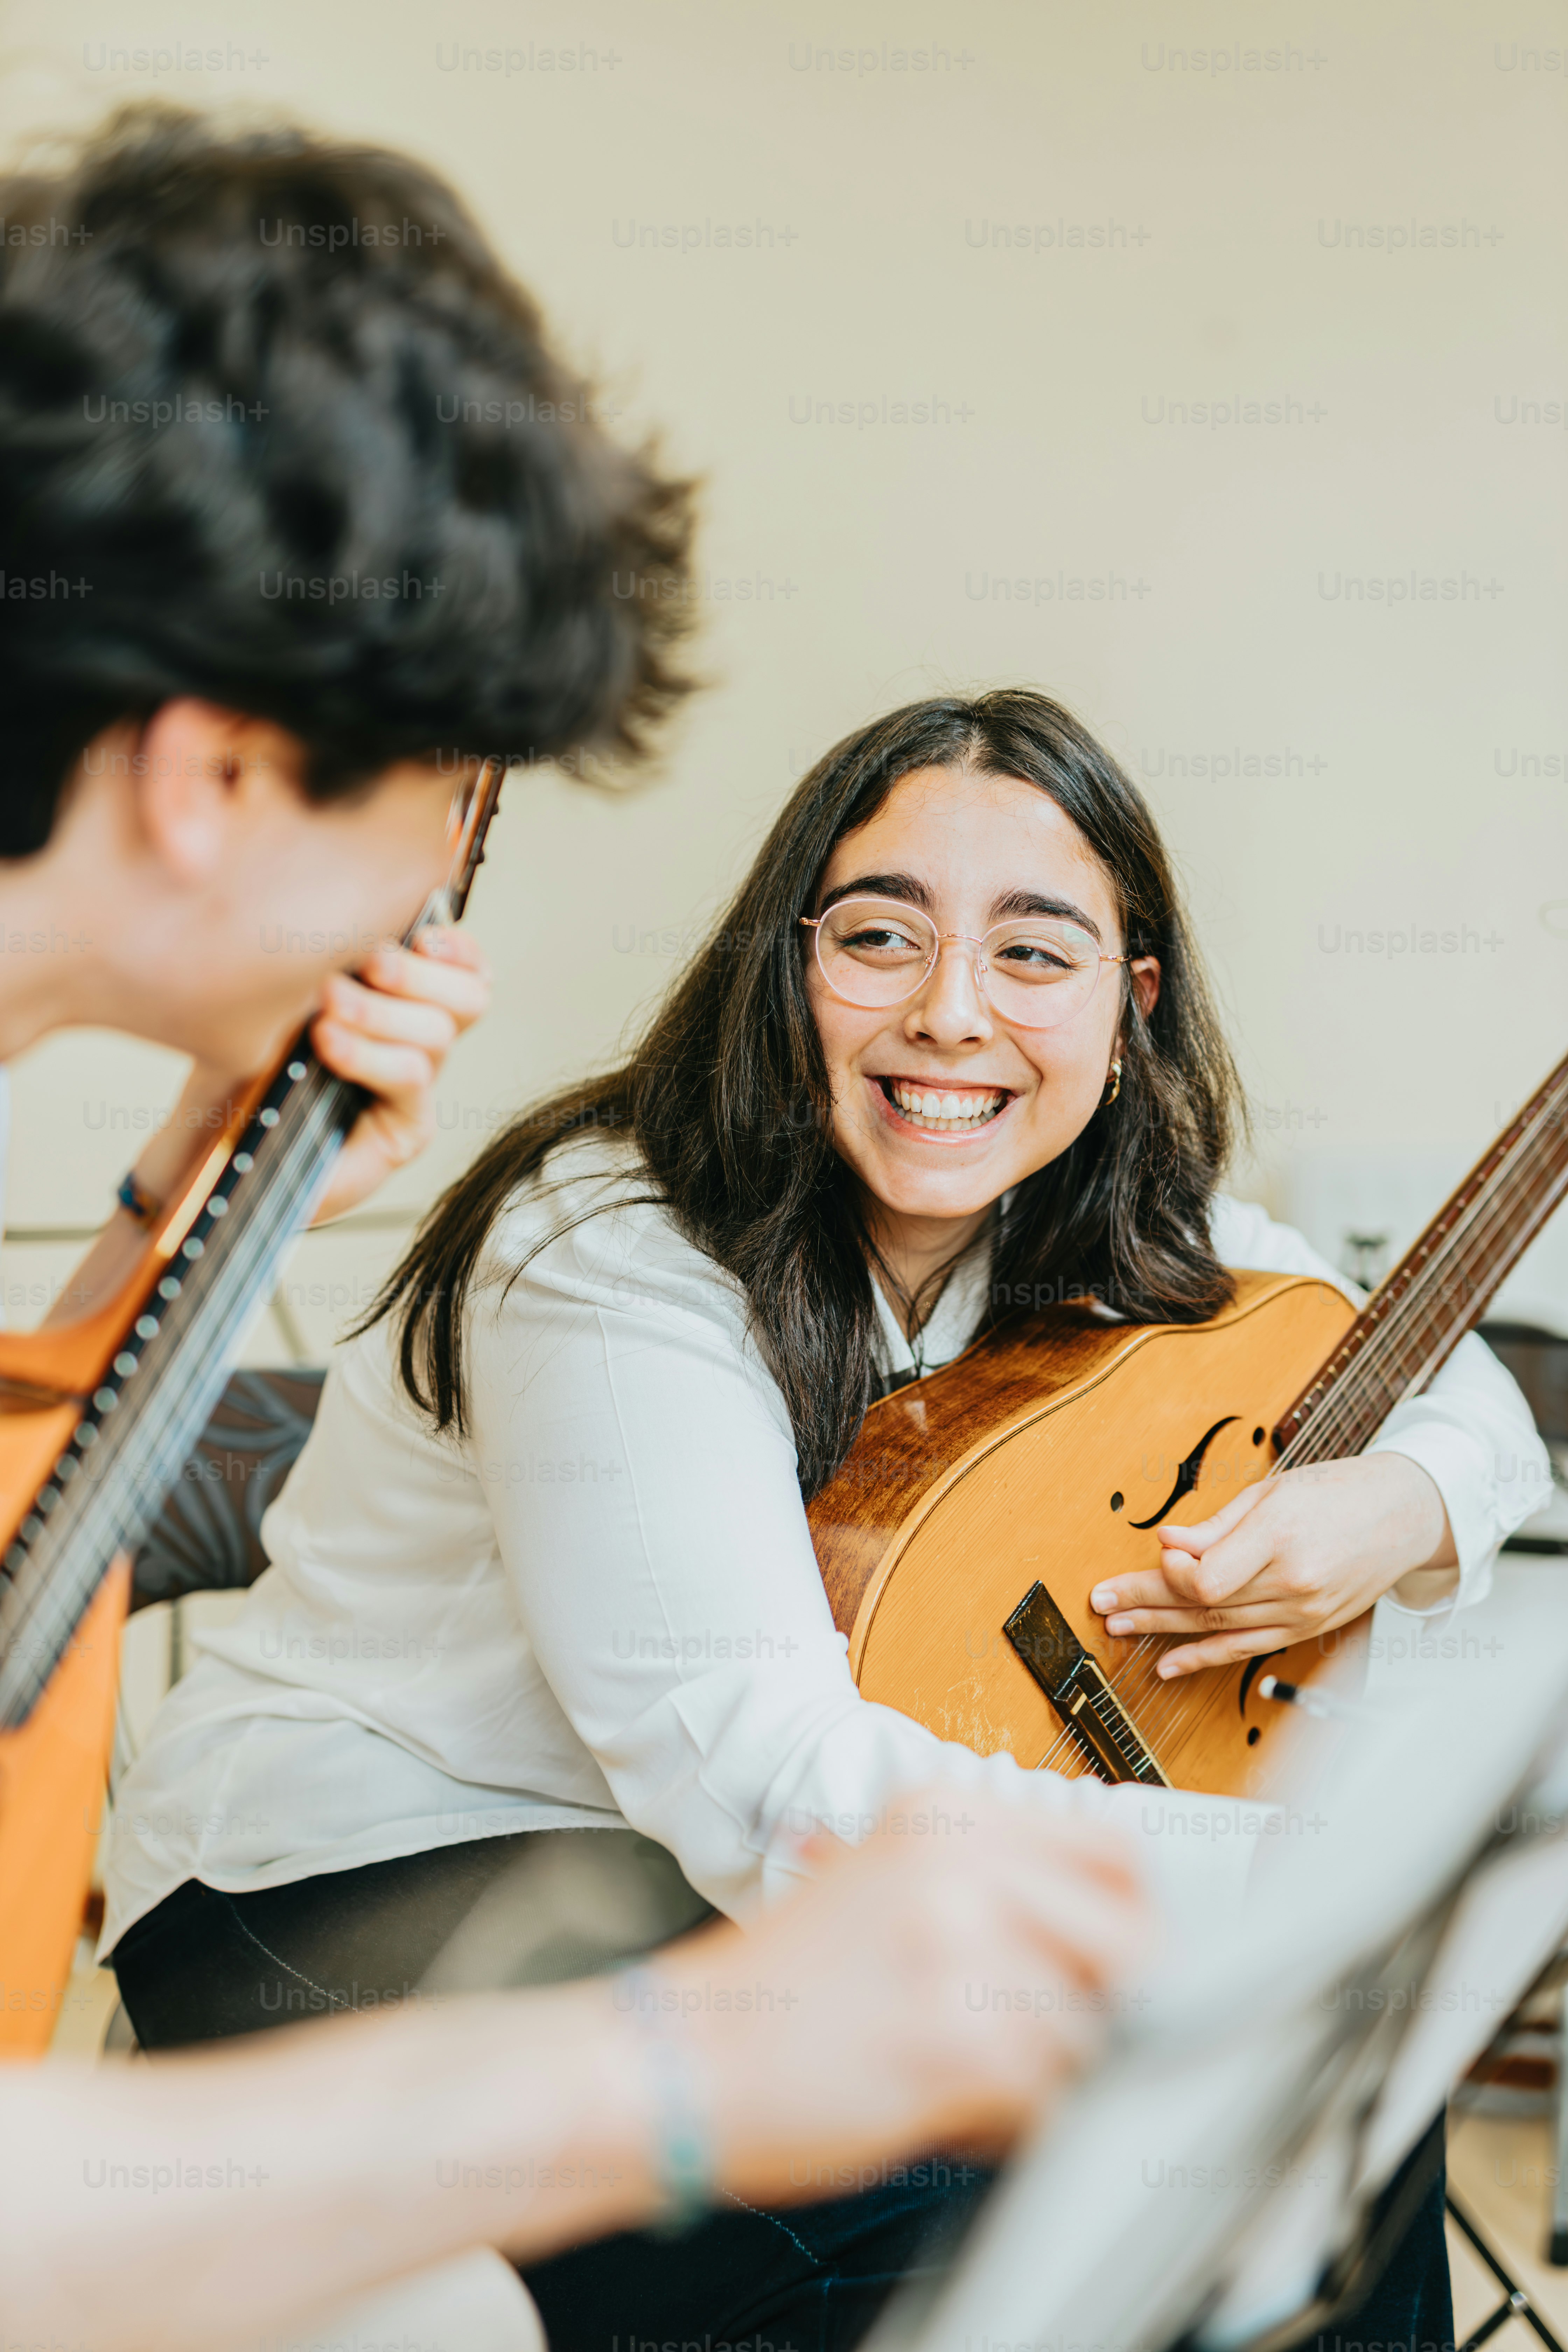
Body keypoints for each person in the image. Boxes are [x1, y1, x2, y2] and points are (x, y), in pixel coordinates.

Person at [0, 108, 1153, 2352]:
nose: (448, 917)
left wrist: (188, 1190)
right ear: (217, 782)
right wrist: (672, 2070)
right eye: (452, 815)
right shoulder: (613, 1234)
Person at [106, 688, 1550, 2345]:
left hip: (686, 1883)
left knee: (1337, 2104)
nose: (951, 1015)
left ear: (1126, 1003)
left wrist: (1405, 1502)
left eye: (1033, 952)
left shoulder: (1091, 1223)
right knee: (992, 2175)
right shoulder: (605, 1247)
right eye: (880, 938)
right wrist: (1311, 1890)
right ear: (787, 966)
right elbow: (768, 1786)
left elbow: (1456, 1384)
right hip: (342, 1884)